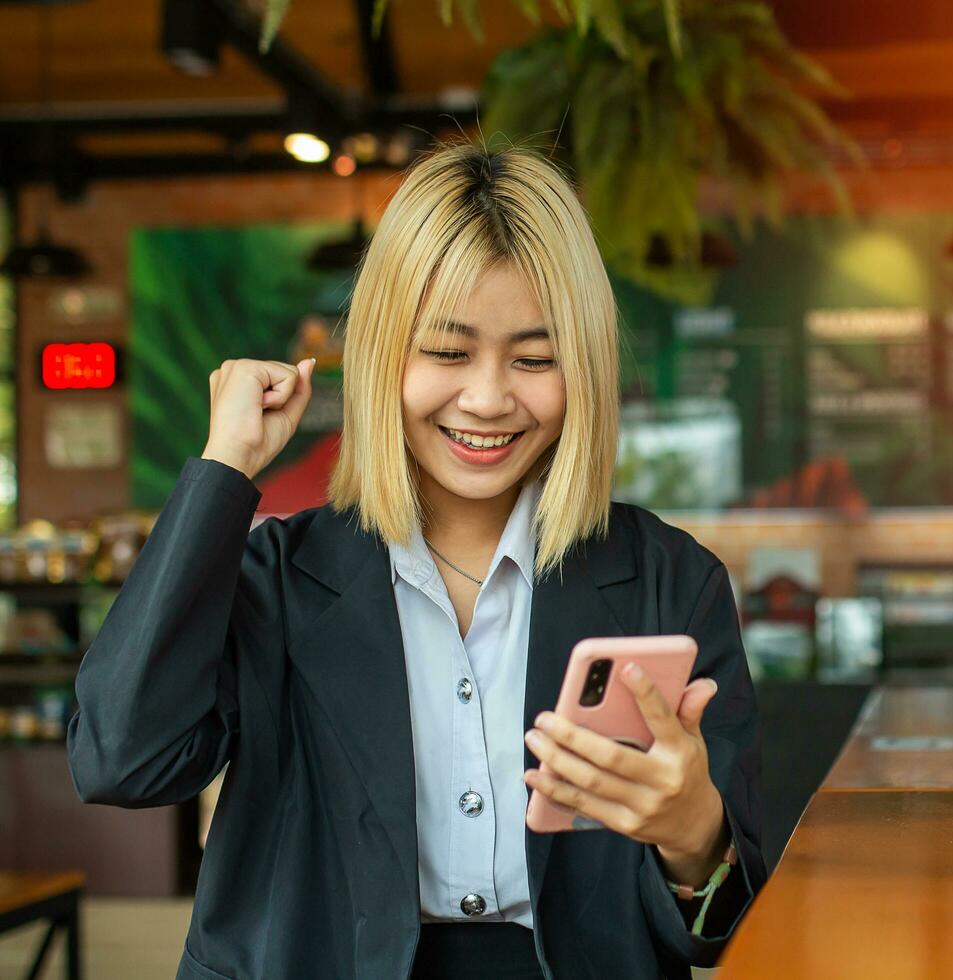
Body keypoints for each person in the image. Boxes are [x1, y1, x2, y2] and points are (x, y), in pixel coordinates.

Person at [66, 142, 765, 979]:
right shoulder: (278, 578)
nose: (488, 398)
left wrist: (695, 835)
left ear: (584, 369)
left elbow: (723, 930)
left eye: (536, 359)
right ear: (382, 357)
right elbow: (121, 761)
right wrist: (221, 474)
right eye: (446, 351)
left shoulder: (669, 581)